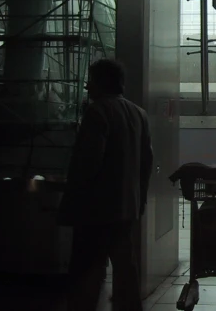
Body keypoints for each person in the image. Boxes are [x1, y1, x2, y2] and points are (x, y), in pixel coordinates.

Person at [58, 58, 153, 311]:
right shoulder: (139, 113)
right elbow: (146, 163)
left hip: (96, 208)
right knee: (125, 265)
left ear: (101, 83)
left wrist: (71, 201)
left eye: (91, 81)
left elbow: (88, 163)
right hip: (126, 206)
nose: (87, 87)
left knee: (87, 267)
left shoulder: (97, 112)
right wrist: (140, 199)